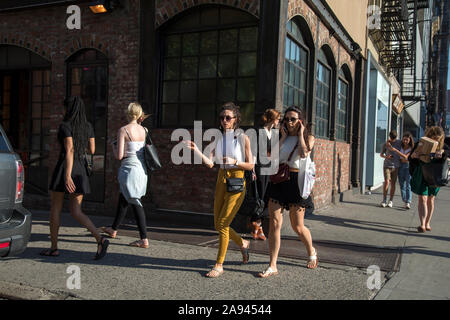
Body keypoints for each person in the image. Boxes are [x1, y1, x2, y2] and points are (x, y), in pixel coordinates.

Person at [184, 102, 254, 278]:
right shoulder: (218, 138)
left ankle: (219, 264)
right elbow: (209, 163)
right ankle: (242, 242)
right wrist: (197, 150)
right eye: (222, 117)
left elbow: (251, 165)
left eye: (228, 117)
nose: (224, 120)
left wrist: (235, 162)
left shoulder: (243, 138)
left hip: (237, 181)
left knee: (223, 224)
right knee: (218, 224)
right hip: (221, 180)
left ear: (236, 119)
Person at [43, 96, 109, 260]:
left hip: (66, 168)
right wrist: (81, 143)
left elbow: (69, 150)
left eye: (64, 108)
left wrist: (66, 175)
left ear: (69, 109)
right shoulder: (87, 126)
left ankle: (54, 248)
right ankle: (100, 239)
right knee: (76, 211)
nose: (63, 111)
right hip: (80, 169)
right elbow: (92, 149)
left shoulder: (65, 126)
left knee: (56, 208)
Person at [258, 106, 317, 278]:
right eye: (287, 119)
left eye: (293, 119)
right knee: (275, 223)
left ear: (300, 121)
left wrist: (300, 134)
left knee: (297, 226)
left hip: (296, 182)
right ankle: (272, 265)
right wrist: (283, 137)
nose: (289, 122)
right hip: (278, 181)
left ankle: (311, 250)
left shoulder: (309, 137)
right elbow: (272, 158)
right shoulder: (280, 137)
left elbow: (304, 153)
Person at [99, 103, 150, 248]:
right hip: (141, 169)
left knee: (134, 201)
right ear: (140, 114)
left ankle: (144, 238)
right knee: (124, 198)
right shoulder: (145, 130)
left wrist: (113, 146)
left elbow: (119, 156)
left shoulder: (123, 130)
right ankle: (113, 229)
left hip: (129, 169)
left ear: (127, 114)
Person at [250, 108, 281, 241]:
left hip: (269, 168)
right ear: (273, 119)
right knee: (260, 197)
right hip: (259, 168)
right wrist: (252, 169)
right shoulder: (258, 132)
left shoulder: (274, 133)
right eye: (278, 119)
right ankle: (258, 226)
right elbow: (252, 151)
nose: (279, 121)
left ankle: (257, 224)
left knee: (266, 197)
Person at [409, 126, 447, 233]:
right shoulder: (421, 143)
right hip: (422, 173)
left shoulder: (443, 146)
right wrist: (413, 156)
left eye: (438, 139)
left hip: (435, 175)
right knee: (423, 198)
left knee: (431, 199)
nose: (436, 140)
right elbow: (410, 158)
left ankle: (428, 222)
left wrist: (443, 153)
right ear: (429, 135)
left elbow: (448, 154)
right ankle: (422, 224)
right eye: (434, 137)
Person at [388, 132, 414, 209]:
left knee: (408, 185)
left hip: (408, 166)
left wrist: (396, 151)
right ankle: (405, 200)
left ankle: (408, 202)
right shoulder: (400, 145)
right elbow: (390, 141)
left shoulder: (411, 148)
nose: (405, 141)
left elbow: (406, 157)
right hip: (400, 166)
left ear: (410, 140)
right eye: (404, 139)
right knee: (402, 184)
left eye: (407, 140)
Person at [380, 130, 402, 208]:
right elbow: (381, 154)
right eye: (392, 138)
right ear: (389, 137)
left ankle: (391, 200)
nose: (393, 140)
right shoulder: (386, 144)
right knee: (386, 182)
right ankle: (384, 200)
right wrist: (386, 157)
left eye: (394, 138)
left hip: (396, 166)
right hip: (387, 165)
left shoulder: (399, 142)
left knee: (393, 183)